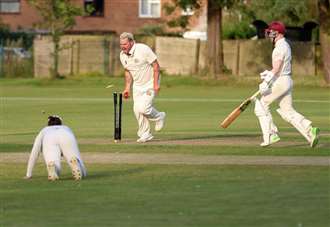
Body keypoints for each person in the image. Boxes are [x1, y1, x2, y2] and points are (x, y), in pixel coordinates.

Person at [254, 21, 320, 147]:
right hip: (286, 80)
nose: (269, 35)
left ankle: (271, 135)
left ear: (277, 33)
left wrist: (267, 81)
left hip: (281, 81)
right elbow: (279, 68)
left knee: (261, 105)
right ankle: (309, 130)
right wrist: (268, 74)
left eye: (271, 32)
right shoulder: (285, 45)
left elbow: (277, 68)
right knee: (287, 111)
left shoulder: (279, 47)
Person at [119, 32, 166, 143]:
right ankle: (145, 134)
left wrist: (155, 84)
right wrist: (127, 88)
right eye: (121, 44)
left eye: (124, 44)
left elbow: (156, 65)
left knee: (144, 108)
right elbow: (128, 71)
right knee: (137, 110)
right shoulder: (122, 55)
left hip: (150, 82)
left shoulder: (143, 49)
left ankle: (159, 116)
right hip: (137, 85)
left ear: (131, 42)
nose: (122, 47)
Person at [24, 115, 87, 181]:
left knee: (54, 165)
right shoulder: (66, 128)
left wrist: (29, 174)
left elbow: (35, 152)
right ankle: (75, 162)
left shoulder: (44, 130)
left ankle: (53, 167)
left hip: (49, 138)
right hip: (66, 136)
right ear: (61, 123)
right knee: (82, 170)